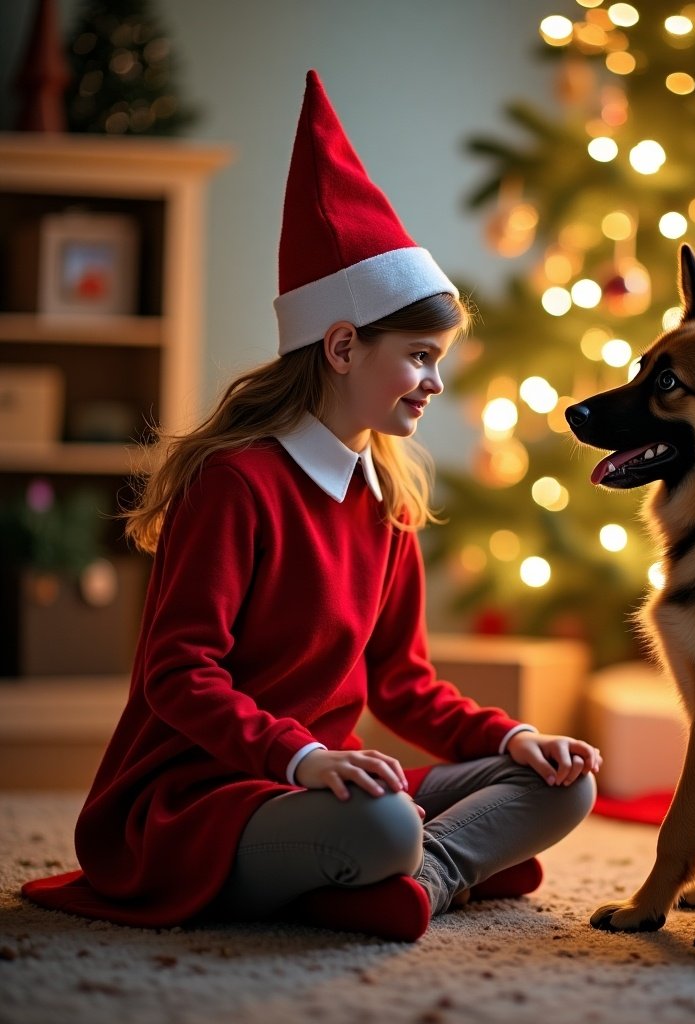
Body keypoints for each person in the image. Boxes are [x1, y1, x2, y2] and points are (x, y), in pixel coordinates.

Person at [22, 70, 600, 942]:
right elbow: (180, 677)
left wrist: (513, 739)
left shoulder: (387, 499)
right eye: (417, 357)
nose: (434, 383)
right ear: (340, 345)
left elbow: (403, 684)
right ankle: (394, 867)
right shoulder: (236, 484)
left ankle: (418, 880)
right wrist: (303, 757)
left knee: (565, 783)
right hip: (209, 795)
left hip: (334, 781)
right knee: (383, 824)